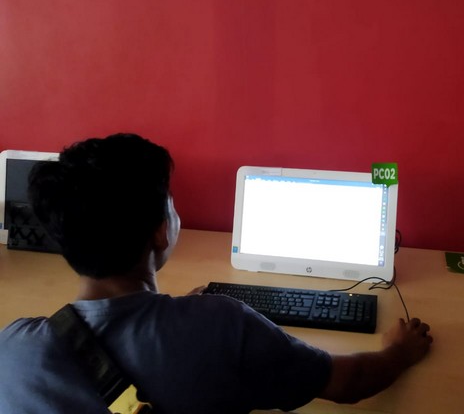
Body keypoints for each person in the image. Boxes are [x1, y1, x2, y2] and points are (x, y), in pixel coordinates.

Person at [0, 133, 432, 413]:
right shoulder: (221, 325)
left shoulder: (13, 349)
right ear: (161, 231)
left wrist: (179, 316)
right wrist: (399, 352)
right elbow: (347, 383)